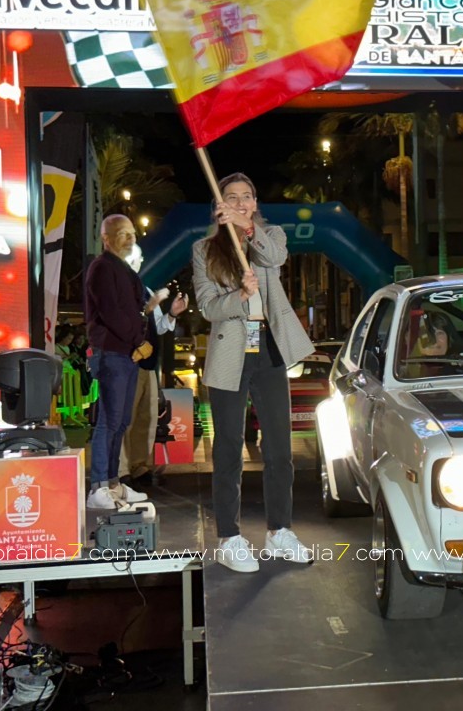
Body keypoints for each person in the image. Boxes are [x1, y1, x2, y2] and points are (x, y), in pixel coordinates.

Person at [192, 173, 316, 573]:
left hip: (270, 348)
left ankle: (280, 531)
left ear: (255, 202)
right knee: (228, 445)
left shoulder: (270, 235)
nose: (241, 201)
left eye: (247, 196)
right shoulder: (204, 249)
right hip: (231, 351)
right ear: (219, 204)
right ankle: (229, 536)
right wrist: (238, 296)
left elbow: (274, 259)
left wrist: (246, 229)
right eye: (232, 197)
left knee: (280, 447)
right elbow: (209, 307)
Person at [83, 215, 152, 510]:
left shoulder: (124, 269)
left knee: (122, 421)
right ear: (106, 238)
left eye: (132, 233)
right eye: (122, 233)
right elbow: (111, 312)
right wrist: (138, 340)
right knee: (108, 421)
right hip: (113, 352)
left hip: (126, 354)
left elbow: (132, 311)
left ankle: (113, 483)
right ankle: (99, 485)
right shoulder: (101, 268)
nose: (130, 238)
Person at [119, 243, 189, 492]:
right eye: (131, 258)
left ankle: (140, 467)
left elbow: (159, 326)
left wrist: (172, 314)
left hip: (148, 365)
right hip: (125, 364)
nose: (135, 263)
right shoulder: (116, 288)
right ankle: (122, 470)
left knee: (146, 419)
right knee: (124, 419)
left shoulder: (146, 290)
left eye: (138, 258)